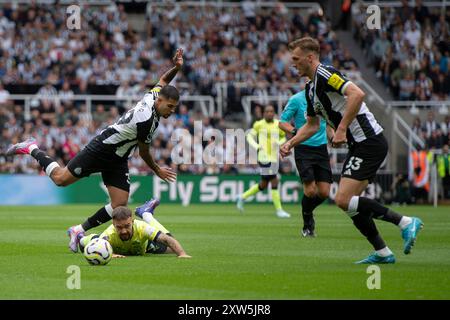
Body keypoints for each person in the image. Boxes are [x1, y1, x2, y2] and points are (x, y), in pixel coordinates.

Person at [6, 48, 185, 252]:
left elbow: (163, 80)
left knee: (119, 204)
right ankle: (31, 148)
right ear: (160, 101)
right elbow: (144, 153)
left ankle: (78, 230)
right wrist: (157, 170)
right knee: (61, 179)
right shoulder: (146, 120)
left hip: (118, 157)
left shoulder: (154, 97)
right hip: (102, 148)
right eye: (170, 107)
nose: (171, 111)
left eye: (174, 108)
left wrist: (176, 68)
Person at [280, 37, 423, 264]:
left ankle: (405, 222)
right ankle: (383, 252)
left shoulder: (325, 74)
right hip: (359, 144)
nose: (293, 63)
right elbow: (312, 125)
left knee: (343, 199)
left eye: (296, 59)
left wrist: (342, 128)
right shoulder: (310, 90)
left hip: (369, 140)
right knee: (350, 204)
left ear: (310, 57)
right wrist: (291, 142)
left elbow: (357, 94)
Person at [279, 90, 333, 237]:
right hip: (303, 148)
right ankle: (307, 223)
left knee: (324, 192)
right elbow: (282, 122)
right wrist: (296, 131)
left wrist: (333, 137)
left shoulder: (324, 98)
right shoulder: (297, 99)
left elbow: (328, 122)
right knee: (310, 190)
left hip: (321, 149)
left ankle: (308, 210)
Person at [79, 201, 191, 258]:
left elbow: (167, 239)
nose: (123, 231)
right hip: (115, 244)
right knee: (90, 242)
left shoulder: (142, 227)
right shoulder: (109, 232)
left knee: (172, 245)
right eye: (119, 227)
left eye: (127, 226)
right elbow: (102, 249)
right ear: (113, 224)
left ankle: (146, 214)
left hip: (143, 247)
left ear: (132, 221)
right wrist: (111, 254)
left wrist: (182, 254)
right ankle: (80, 237)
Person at [236, 105, 291, 218]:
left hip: (274, 157)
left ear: (274, 113)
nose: (269, 113)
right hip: (264, 157)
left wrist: (280, 143)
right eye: (267, 111)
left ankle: (242, 197)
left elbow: (283, 137)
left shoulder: (278, 124)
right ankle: (279, 210)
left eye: (271, 111)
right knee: (274, 180)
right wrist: (257, 146)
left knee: (264, 184)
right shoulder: (259, 124)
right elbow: (249, 137)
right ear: (263, 113)